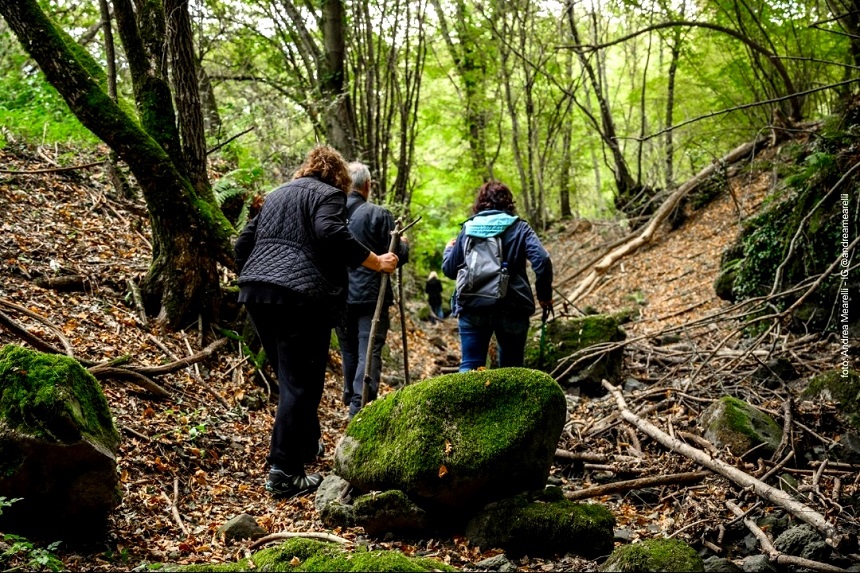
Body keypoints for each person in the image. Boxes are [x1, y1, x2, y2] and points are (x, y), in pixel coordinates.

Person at [234, 146, 399, 499]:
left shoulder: (277, 195)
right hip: (299, 298)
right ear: (338, 175)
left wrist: (254, 273)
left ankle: (306, 446)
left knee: (292, 380)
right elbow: (330, 233)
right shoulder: (329, 195)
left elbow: (243, 242)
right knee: (302, 384)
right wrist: (376, 262)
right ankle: (283, 471)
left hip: (256, 294)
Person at [442, 180, 553, 372]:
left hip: (473, 305)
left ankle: (467, 403)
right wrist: (544, 296)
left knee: (470, 366)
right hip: (513, 307)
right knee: (512, 370)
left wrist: (447, 250)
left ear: (480, 203)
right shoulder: (520, 228)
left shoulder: (468, 229)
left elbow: (450, 270)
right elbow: (542, 260)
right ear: (508, 203)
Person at [336, 162, 409, 419]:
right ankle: (360, 406)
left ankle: (351, 399)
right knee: (369, 349)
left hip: (338, 295)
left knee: (349, 350)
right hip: (370, 297)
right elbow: (396, 255)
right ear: (367, 185)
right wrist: (403, 244)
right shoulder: (379, 214)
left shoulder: (330, 213)